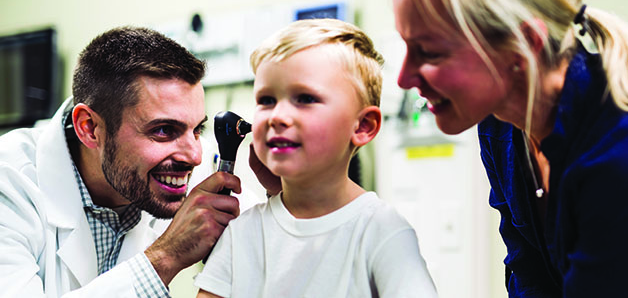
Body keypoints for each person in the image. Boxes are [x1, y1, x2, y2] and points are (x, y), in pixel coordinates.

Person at [389, 0, 628, 297]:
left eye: (429, 52)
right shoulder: (500, 126)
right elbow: (528, 271)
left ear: (524, 46)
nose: (403, 78)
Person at [0, 26, 252, 297]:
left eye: (196, 130)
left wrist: (280, 187)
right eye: (164, 130)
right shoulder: (11, 182)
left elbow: (275, 234)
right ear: (89, 128)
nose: (194, 156)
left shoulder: (187, 171)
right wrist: (167, 255)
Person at [194, 18, 437, 298]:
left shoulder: (382, 232)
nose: (278, 116)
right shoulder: (242, 233)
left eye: (305, 98)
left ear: (362, 126)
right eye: (266, 100)